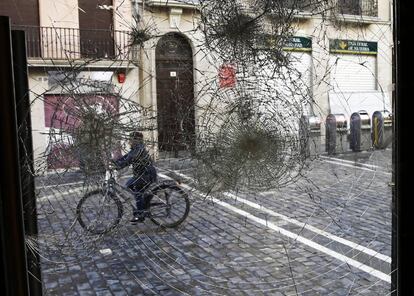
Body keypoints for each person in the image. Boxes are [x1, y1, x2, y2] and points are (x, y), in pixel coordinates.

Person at [113, 131, 157, 223]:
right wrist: (114, 162)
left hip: (146, 175)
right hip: (142, 174)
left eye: (131, 139)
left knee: (131, 185)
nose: (129, 141)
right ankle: (143, 203)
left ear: (136, 140)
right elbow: (126, 157)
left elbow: (128, 160)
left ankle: (140, 213)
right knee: (134, 188)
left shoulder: (138, 150)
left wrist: (118, 165)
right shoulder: (135, 149)